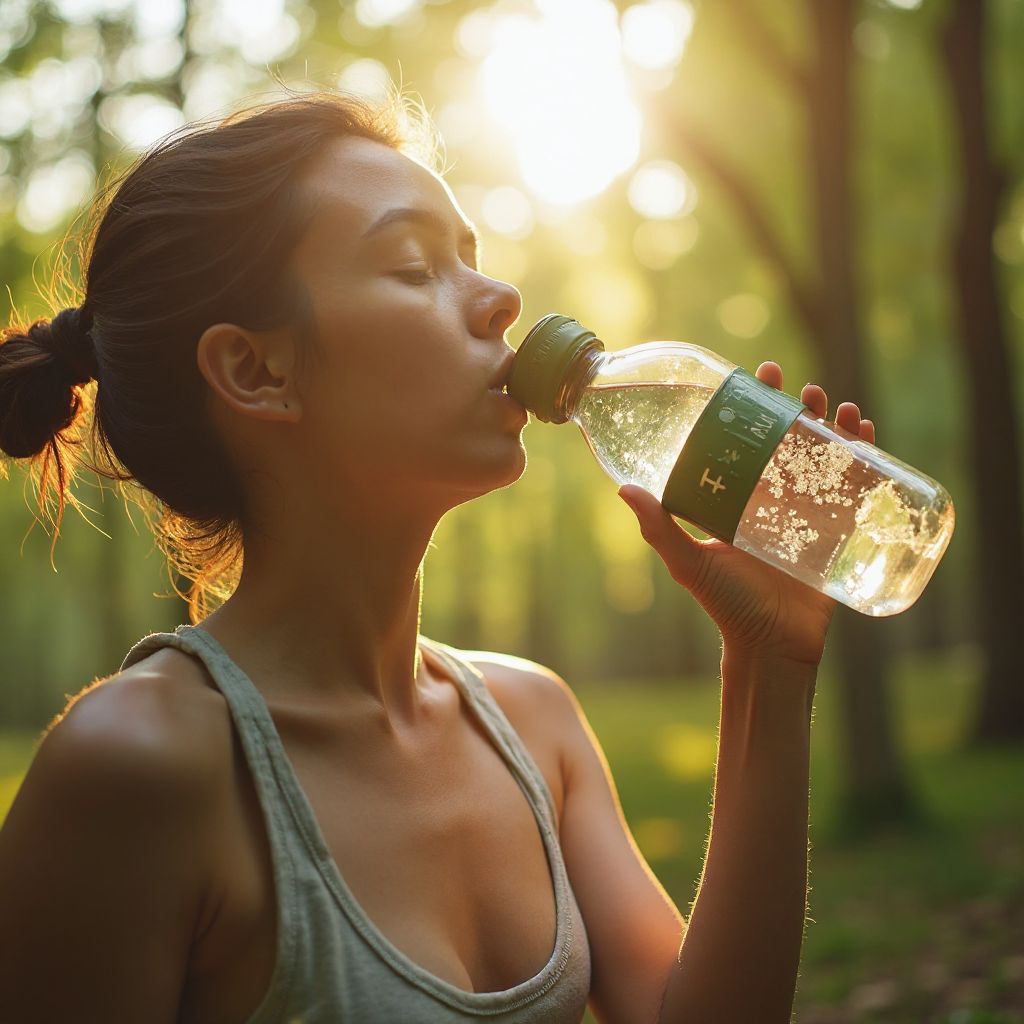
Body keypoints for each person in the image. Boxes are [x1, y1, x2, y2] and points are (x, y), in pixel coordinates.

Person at [0, 90, 875, 1024]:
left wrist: (769, 664)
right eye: (415, 266)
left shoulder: (535, 721)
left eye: (473, 258)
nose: (501, 301)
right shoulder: (140, 768)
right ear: (258, 373)